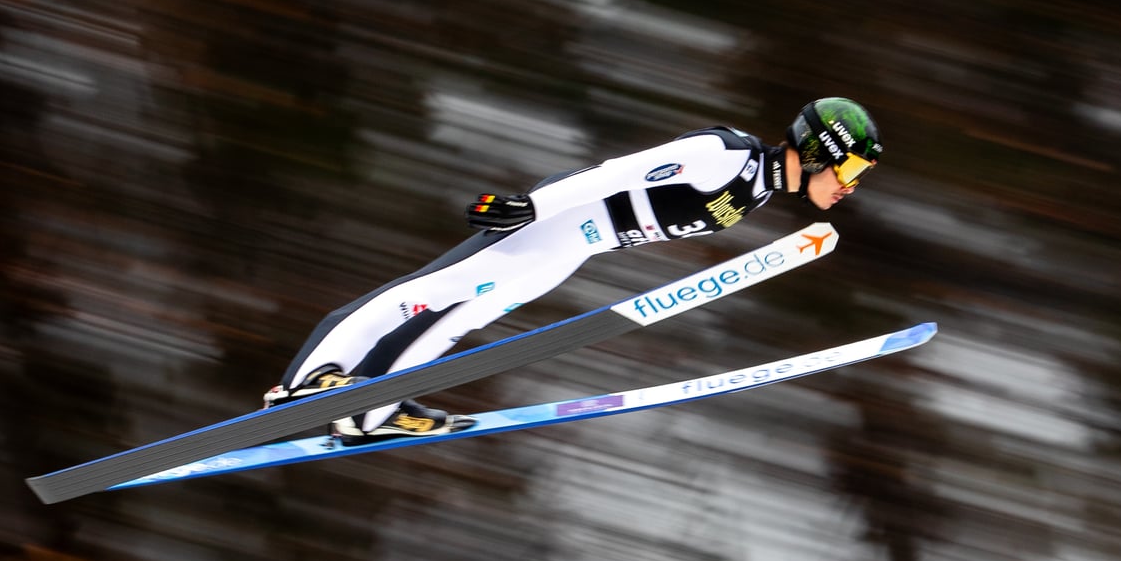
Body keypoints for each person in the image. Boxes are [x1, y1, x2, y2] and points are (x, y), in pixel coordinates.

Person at [263, 97, 883, 444]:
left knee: (465, 317)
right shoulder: (725, 155)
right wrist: (532, 208)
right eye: (851, 171)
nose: (850, 187)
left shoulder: (759, 192)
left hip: (575, 249)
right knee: (431, 293)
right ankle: (305, 384)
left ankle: (372, 412)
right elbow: (621, 172)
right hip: (558, 222)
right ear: (822, 150)